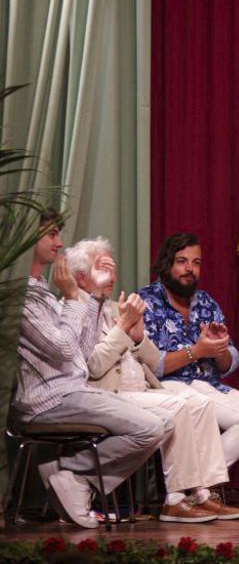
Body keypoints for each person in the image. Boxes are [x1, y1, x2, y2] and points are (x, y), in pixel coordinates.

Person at [65, 238, 239, 522]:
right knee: (180, 406)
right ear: (82, 277)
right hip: (110, 393)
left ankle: (203, 494)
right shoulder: (75, 312)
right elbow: (94, 367)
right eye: (102, 270)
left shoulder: (112, 307)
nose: (112, 277)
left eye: (112, 268)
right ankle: (174, 500)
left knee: (201, 405)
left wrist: (138, 336)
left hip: (143, 388)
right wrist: (123, 327)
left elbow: (151, 358)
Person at [13, 210, 169, 528]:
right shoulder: (23, 295)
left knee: (164, 422)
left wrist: (96, 297)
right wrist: (74, 297)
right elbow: (64, 349)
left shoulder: (42, 290)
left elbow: (81, 355)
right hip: (46, 402)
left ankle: (72, 475)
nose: (59, 243)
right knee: (151, 427)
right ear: (28, 238)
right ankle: (75, 476)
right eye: (51, 234)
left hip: (72, 392)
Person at [139, 233, 239, 474]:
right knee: (196, 408)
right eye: (182, 261)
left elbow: (228, 362)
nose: (190, 269)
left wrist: (219, 348)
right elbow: (150, 366)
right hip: (166, 386)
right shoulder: (146, 301)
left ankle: (196, 477)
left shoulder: (206, 302)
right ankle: (198, 487)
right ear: (167, 263)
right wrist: (197, 351)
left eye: (196, 263)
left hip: (206, 384)